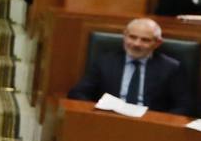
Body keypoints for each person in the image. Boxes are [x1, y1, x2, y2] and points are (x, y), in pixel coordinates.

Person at [66, 17, 194, 114]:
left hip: (149, 126)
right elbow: (78, 93)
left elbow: (184, 106)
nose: (136, 44)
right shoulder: (105, 61)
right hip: (109, 119)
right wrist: (97, 111)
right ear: (124, 37)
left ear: (157, 43)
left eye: (145, 40)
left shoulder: (171, 68)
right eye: (132, 37)